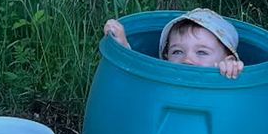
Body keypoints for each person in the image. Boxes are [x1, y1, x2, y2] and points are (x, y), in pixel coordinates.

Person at [103, 7, 244, 79]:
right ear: (166, 57)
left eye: (201, 52)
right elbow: (135, 79)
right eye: (177, 52)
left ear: (227, 60)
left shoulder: (226, 71)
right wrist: (122, 47)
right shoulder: (162, 77)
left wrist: (231, 70)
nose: (187, 60)